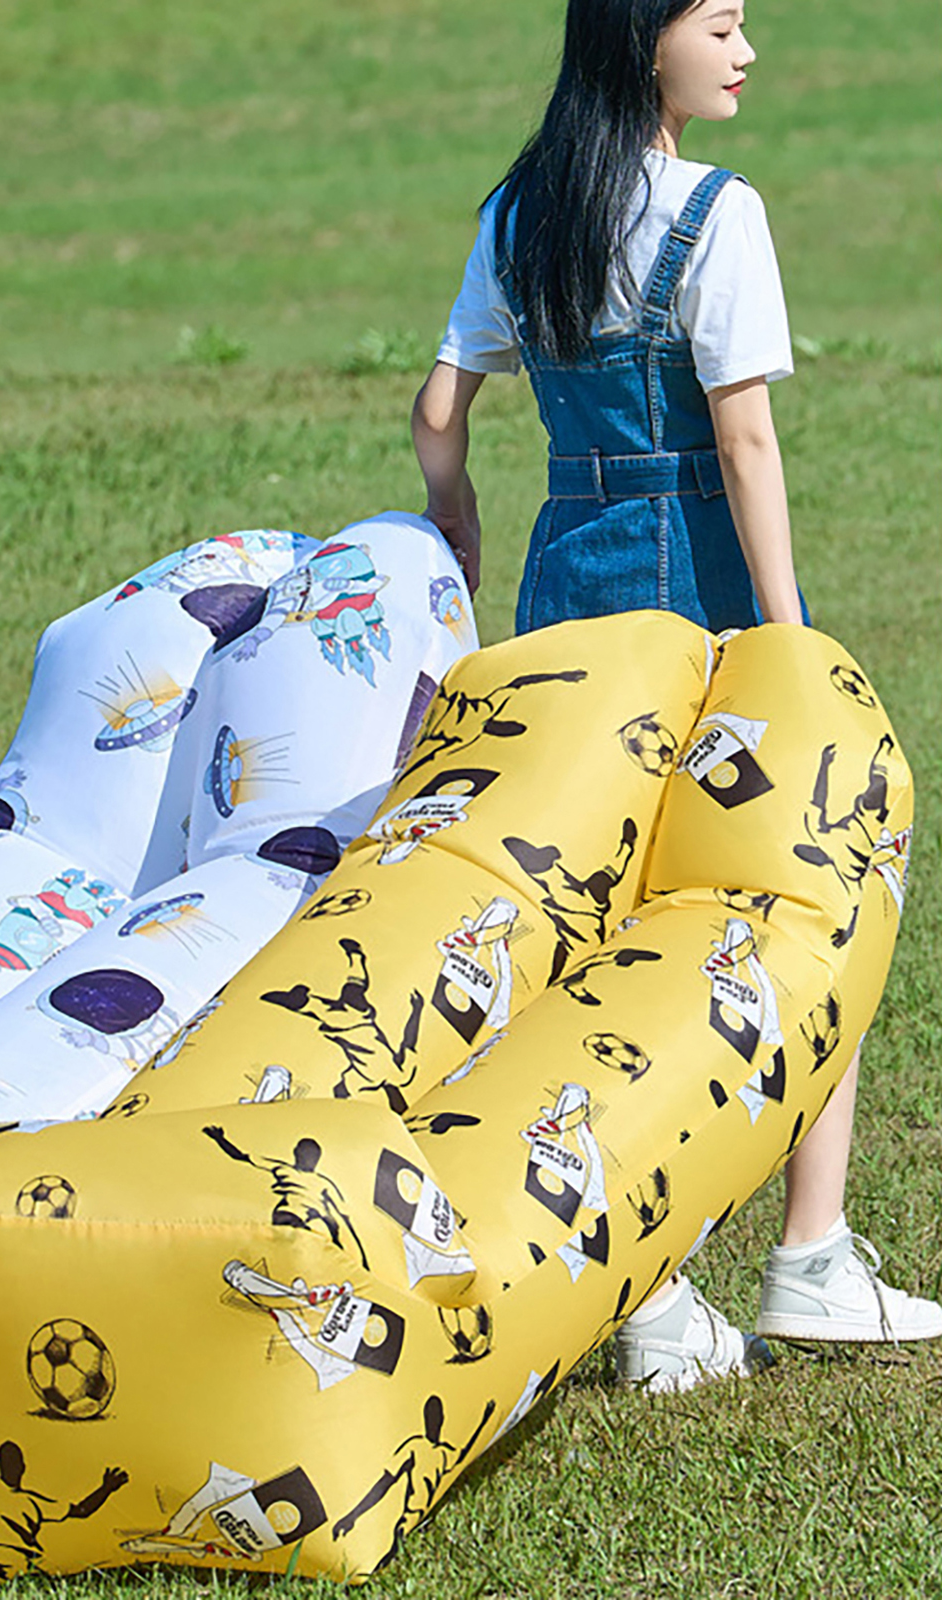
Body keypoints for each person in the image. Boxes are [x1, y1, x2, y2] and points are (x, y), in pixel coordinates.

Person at [411, 0, 941, 1391]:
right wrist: (791, 638)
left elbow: (440, 410)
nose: (747, 50)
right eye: (724, 23)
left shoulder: (524, 208)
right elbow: (745, 439)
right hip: (695, 590)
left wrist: (455, 520)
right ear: (647, 37)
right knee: (811, 896)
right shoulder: (719, 212)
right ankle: (812, 1259)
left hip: (563, 583)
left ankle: (641, 1290)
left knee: (600, 933)